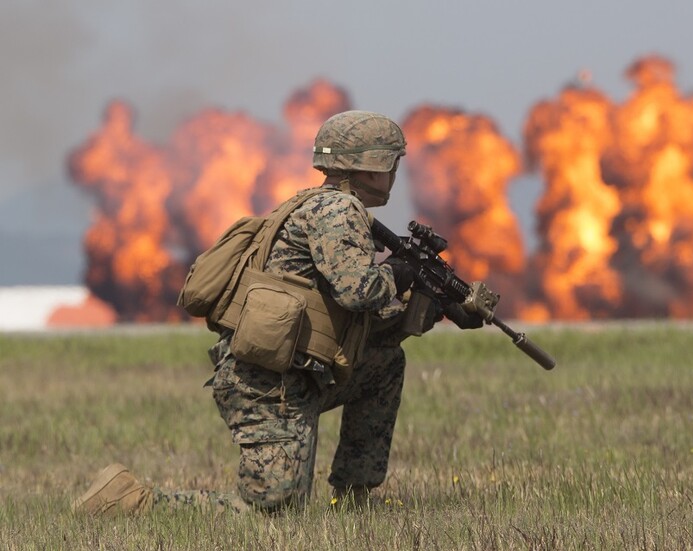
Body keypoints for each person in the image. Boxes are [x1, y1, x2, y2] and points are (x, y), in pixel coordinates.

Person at [73, 110, 481, 516]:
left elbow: (361, 328)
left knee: (384, 364)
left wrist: (437, 308)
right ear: (370, 166)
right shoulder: (338, 212)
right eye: (391, 163)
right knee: (272, 510)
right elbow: (360, 292)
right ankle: (127, 500)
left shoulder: (321, 205)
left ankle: (355, 498)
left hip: (298, 373)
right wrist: (399, 272)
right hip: (267, 386)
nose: (395, 174)